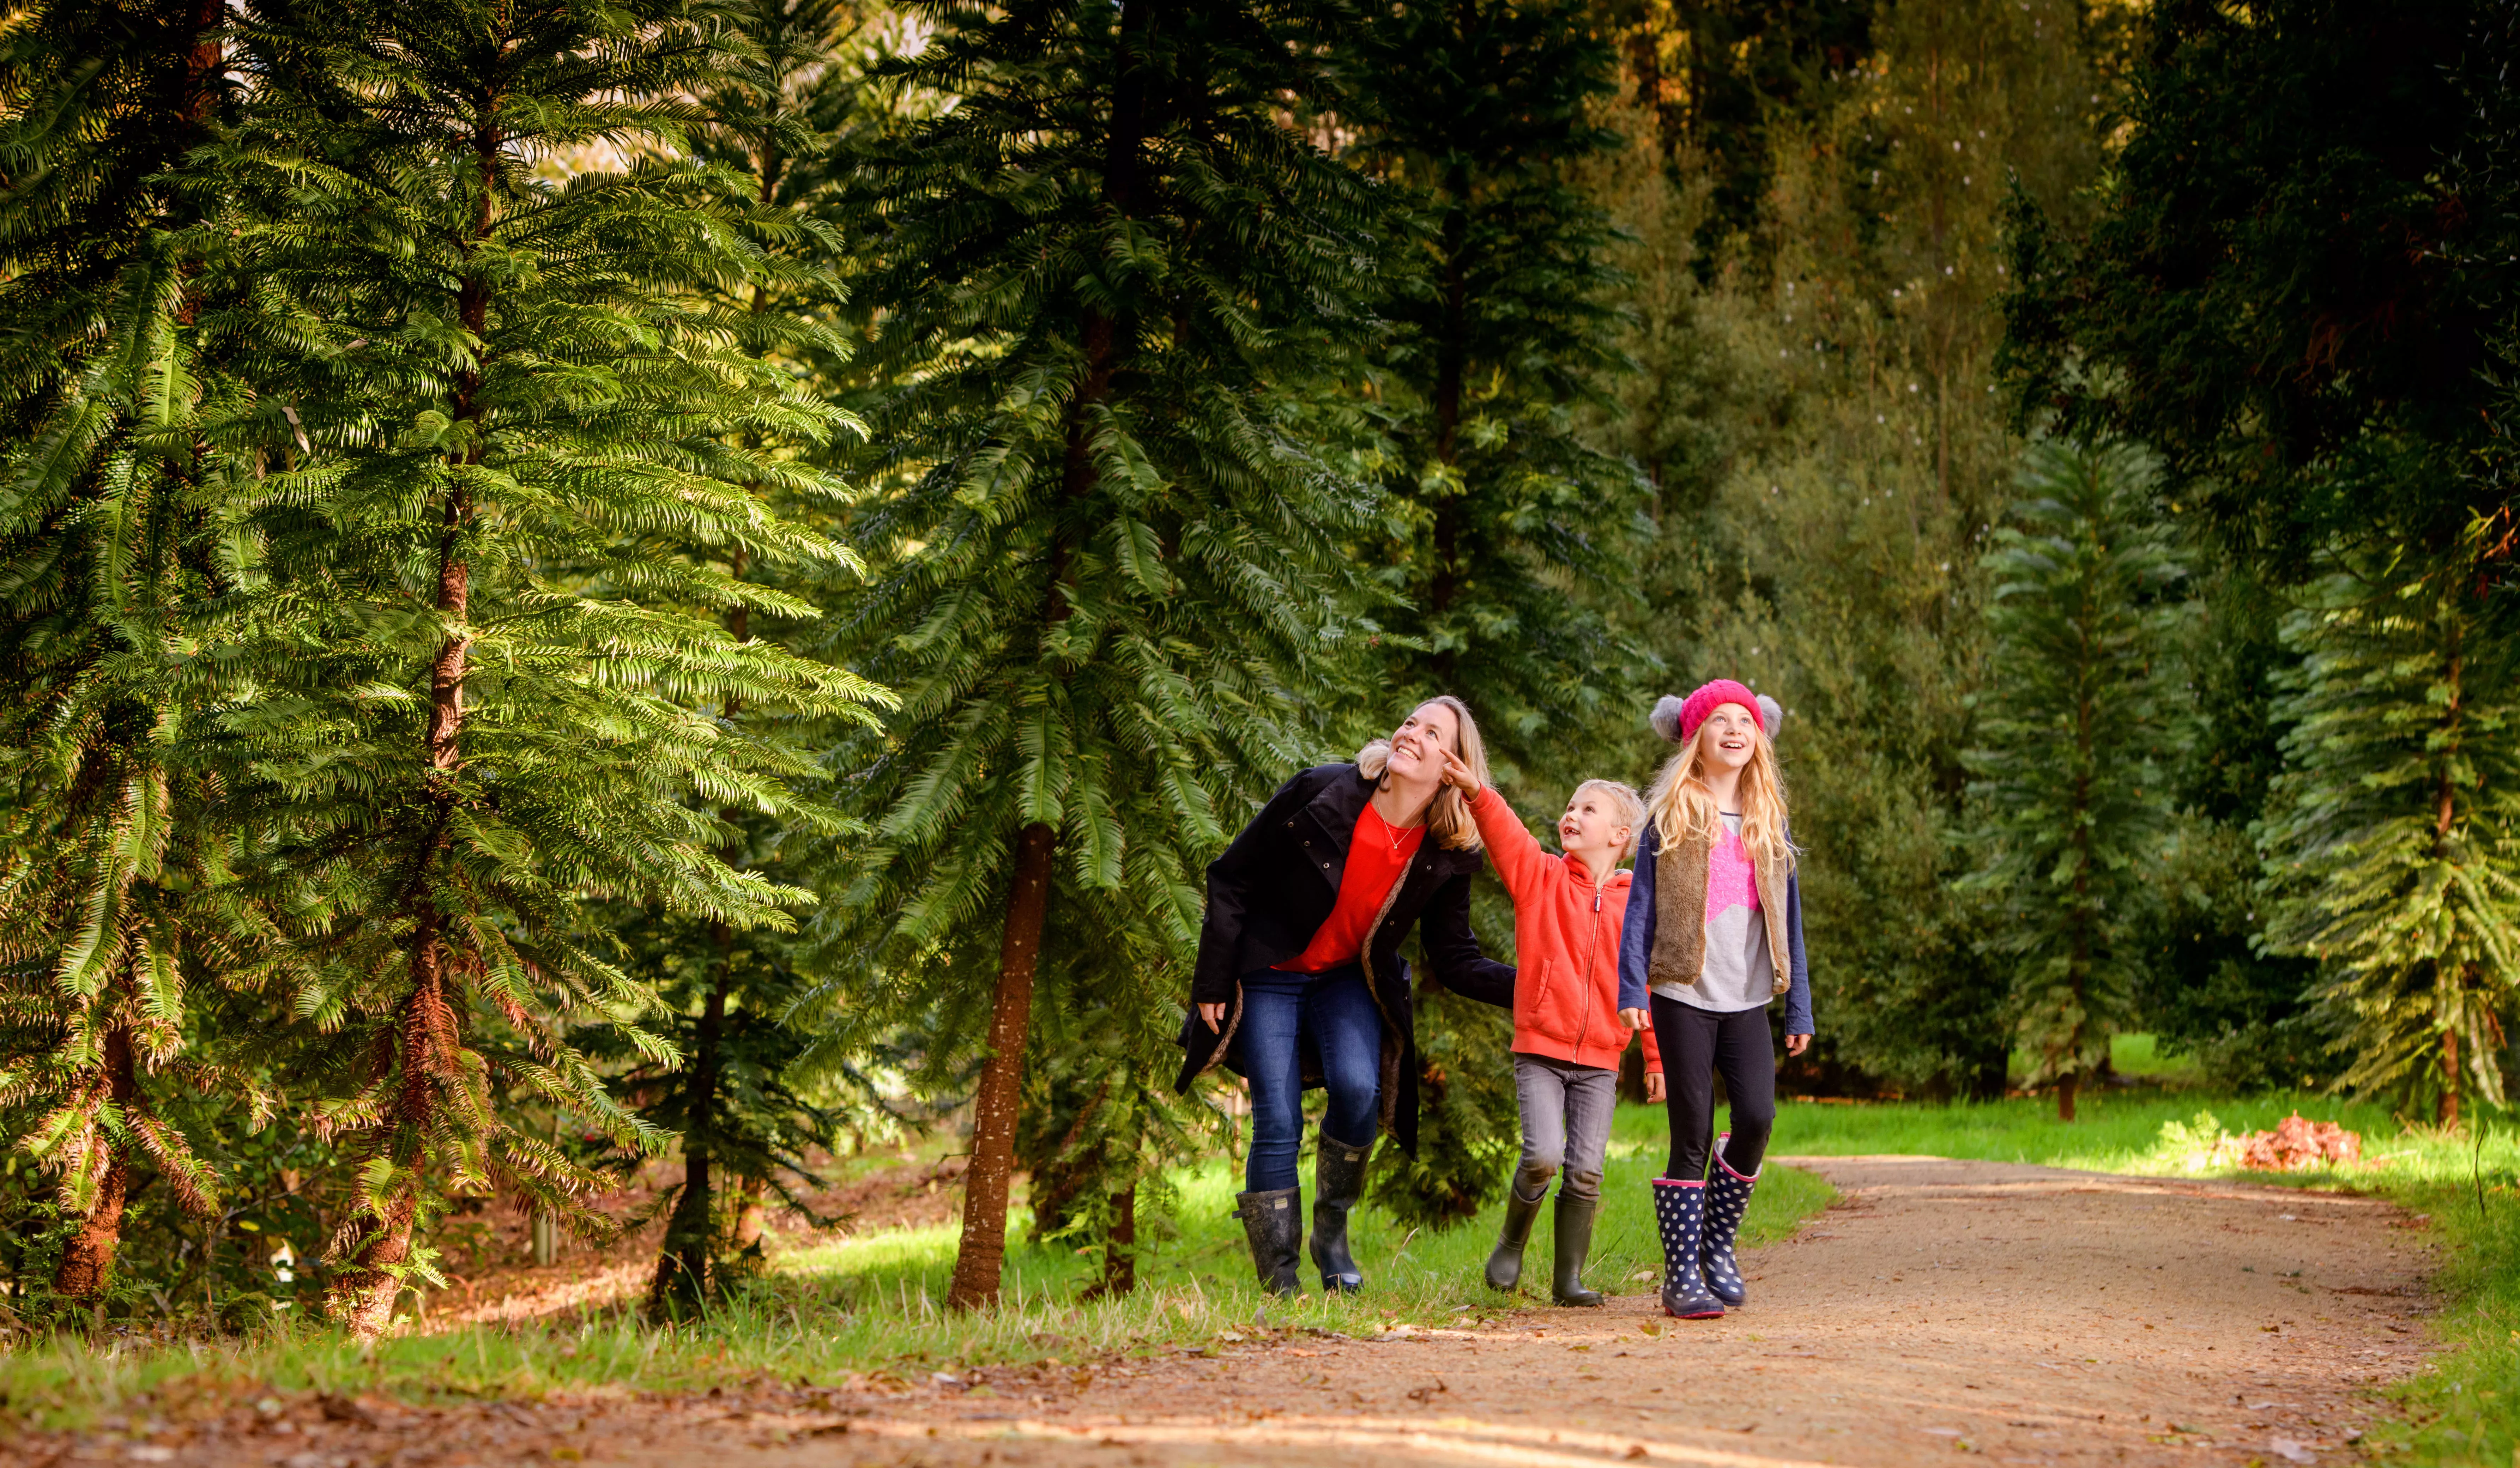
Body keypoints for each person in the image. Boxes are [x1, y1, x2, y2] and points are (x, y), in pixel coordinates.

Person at [1176, 697, 1515, 1296]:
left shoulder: (1446, 853)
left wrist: (1538, 986)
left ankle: (1330, 1230)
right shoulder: (1323, 790)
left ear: (1455, 768)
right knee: (1276, 1121)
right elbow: (1233, 874)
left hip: (1345, 979)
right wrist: (1211, 977)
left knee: (1361, 1090)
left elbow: (1455, 958)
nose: (1411, 732)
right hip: (1269, 972)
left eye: (1432, 733)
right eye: (1411, 721)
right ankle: (1280, 1277)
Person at [1437, 752, 1664, 1306]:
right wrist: (1476, 791)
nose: (1572, 814)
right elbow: (1507, 834)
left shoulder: (1637, 903)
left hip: (1602, 1058)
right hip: (1540, 1047)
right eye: (1569, 806)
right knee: (1543, 1155)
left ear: (1619, 834)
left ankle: (1568, 1280)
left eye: (1588, 809)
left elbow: (1646, 983)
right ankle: (1510, 1245)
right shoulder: (1540, 877)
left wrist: (1654, 1057)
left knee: (1586, 1170)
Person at [1618, 680, 1813, 1320]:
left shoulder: (1767, 822)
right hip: (1682, 991)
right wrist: (1630, 988)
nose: (1734, 728)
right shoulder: (1672, 815)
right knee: (1692, 1132)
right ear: (1693, 737)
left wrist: (1800, 1006)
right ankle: (1680, 1275)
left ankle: (1716, 1244)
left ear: (1759, 736)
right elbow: (1639, 909)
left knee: (1756, 1118)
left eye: (1745, 719)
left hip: (1747, 998)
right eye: (1718, 720)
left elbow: (1791, 921)